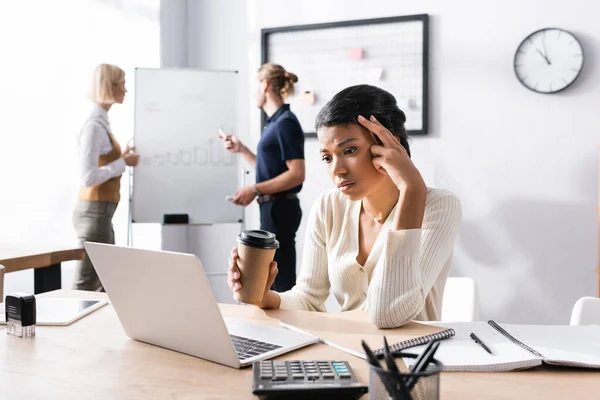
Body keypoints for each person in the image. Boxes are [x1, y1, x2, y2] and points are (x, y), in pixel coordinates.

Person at [227, 84, 462, 328]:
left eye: (349, 150)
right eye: (327, 157)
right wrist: (266, 298)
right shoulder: (329, 206)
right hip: (347, 352)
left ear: (391, 144)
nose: (336, 170)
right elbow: (308, 298)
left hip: (413, 360)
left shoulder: (439, 207)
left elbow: (389, 314)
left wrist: (412, 190)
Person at [219, 63, 305, 292]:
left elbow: (297, 174)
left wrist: (255, 189)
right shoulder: (274, 123)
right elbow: (269, 170)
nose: (254, 94)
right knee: (271, 277)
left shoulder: (286, 123)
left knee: (280, 277)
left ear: (265, 85)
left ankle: (287, 324)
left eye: (256, 86)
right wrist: (243, 150)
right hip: (272, 208)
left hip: (280, 208)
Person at [72, 64, 140, 291]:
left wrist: (122, 157)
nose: (126, 89)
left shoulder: (102, 124)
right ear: (109, 87)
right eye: (122, 83)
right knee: (88, 282)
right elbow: (88, 177)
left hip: (102, 213)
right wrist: (123, 163)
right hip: (94, 213)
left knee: (104, 282)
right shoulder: (94, 127)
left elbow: (103, 162)